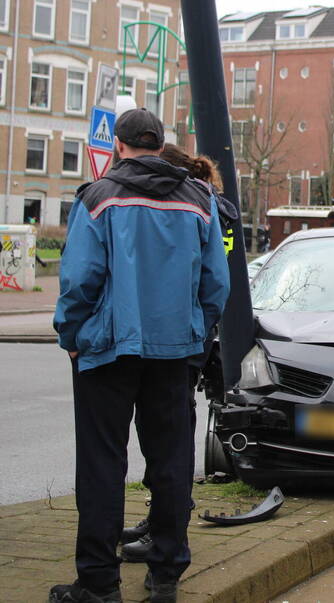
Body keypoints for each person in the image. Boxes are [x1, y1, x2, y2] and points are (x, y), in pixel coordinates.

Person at [51, 109, 230, 603]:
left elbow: (80, 280)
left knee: (102, 463)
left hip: (108, 349)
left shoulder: (97, 197)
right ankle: (166, 575)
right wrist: (197, 331)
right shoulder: (199, 199)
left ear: (119, 146)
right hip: (175, 350)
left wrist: (71, 333)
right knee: (172, 460)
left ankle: (99, 583)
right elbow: (216, 282)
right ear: (159, 144)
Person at [119, 144, 239, 564]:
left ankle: (168, 525)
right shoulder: (213, 206)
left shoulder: (199, 209)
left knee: (166, 436)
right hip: (191, 334)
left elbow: (210, 278)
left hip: (182, 338)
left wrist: (192, 326)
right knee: (166, 433)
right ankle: (162, 519)